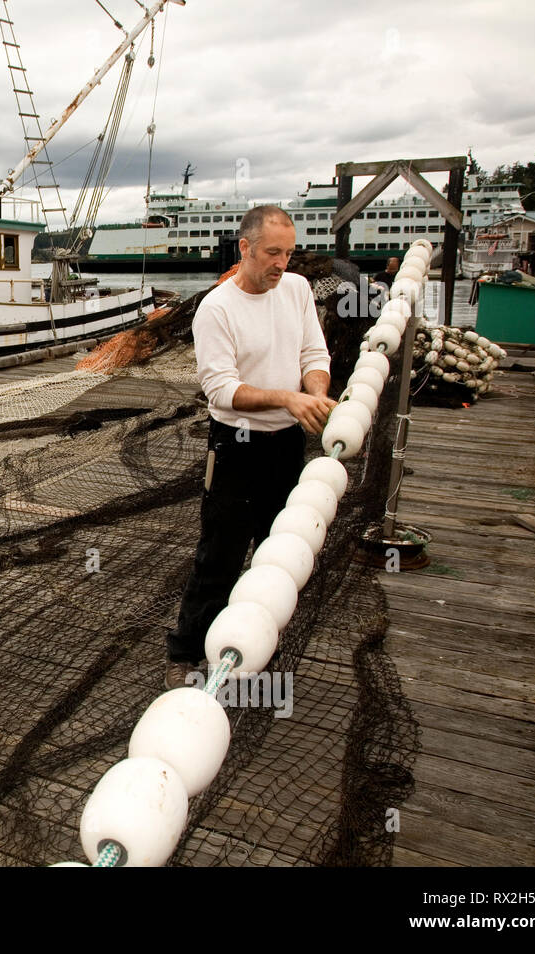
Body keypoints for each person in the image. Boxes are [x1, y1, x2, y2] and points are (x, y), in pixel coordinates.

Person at [166, 205, 335, 688]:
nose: (282, 264)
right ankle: (186, 653)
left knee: (276, 550)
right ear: (245, 248)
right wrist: (287, 397)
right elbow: (220, 390)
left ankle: (257, 647)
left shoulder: (297, 290)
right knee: (219, 554)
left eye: (289, 253)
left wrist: (317, 393)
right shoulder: (216, 309)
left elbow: (313, 353)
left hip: (287, 444)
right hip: (236, 447)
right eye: (272, 253)